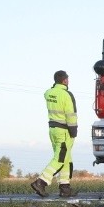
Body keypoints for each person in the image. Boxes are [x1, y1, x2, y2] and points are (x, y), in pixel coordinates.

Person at [30, 70, 78, 198]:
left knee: (66, 158)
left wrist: (55, 86)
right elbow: (71, 115)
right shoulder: (67, 95)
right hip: (64, 131)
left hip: (53, 129)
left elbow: (46, 93)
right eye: (67, 79)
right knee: (60, 159)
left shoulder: (49, 93)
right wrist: (74, 131)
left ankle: (65, 187)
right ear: (65, 80)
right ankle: (41, 181)